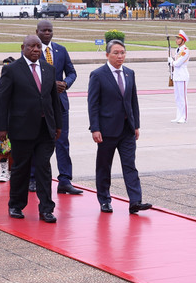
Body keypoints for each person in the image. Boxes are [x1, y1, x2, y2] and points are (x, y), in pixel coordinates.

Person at [0, 35, 61, 223]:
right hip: (21, 129)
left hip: (45, 129)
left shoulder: (49, 69)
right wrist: (1, 127)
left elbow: (53, 100)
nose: (35, 50)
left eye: (38, 47)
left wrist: (58, 125)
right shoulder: (12, 70)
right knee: (21, 169)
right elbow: (2, 100)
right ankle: (16, 205)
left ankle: (46, 209)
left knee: (44, 169)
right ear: (22, 47)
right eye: (31, 46)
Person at [87, 40, 151, 215]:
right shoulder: (98, 75)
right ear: (107, 55)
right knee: (104, 166)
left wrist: (136, 124)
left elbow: (133, 101)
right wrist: (95, 128)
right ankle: (105, 200)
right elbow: (93, 104)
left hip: (127, 129)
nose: (120, 56)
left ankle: (135, 201)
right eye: (116, 53)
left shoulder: (130, 73)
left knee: (130, 165)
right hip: (106, 130)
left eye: (122, 52)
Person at [36, 19, 81, 195]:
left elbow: (72, 72)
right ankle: (34, 178)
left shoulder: (60, 50)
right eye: (44, 31)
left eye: (50, 30)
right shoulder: (32, 49)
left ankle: (65, 180)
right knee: (38, 142)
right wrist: (49, 85)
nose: (47, 33)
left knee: (63, 142)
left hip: (60, 103)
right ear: (37, 31)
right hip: (40, 105)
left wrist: (65, 83)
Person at [169, 29, 190, 123]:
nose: (176, 40)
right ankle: (178, 116)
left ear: (183, 40)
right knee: (177, 97)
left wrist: (172, 62)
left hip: (182, 75)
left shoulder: (185, 50)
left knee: (183, 97)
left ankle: (184, 117)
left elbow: (178, 63)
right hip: (177, 75)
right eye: (176, 38)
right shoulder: (178, 50)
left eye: (178, 39)